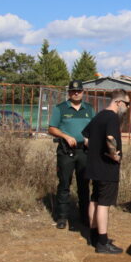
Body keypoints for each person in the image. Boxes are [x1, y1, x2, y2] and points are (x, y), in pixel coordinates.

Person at [81, 88, 129, 254]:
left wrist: (96, 149)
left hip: (94, 166)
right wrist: (114, 155)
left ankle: (93, 236)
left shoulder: (99, 115)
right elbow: (110, 138)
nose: (127, 107)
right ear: (118, 102)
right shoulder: (112, 117)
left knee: (95, 200)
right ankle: (102, 242)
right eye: (127, 104)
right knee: (104, 204)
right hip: (107, 168)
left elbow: (85, 138)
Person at [48, 80, 95, 230]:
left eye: (79, 91)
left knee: (84, 185)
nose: (76, 93)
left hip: (84, 152)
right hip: (66, 151)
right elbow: (52, 128)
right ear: (69, 92)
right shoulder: (60, 108)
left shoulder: (89, 109)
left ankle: (84, 217)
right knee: (64, 184)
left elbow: (94, 128)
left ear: (83, 92)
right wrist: (65, 136)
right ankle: (62, 217)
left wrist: (90, 138)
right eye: (73, 91)